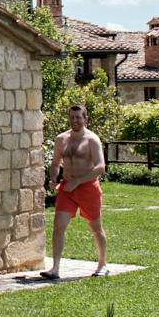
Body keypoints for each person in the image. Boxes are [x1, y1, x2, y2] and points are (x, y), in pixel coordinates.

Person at [42, 103, 108, 279]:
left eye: (78, 117)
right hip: (67, 187)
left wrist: (78, 181)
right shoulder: (61, 139)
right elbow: (56, 163)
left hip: (87, 187)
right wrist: (53, 179)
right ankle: (55, 268)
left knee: (95, 227)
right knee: (58, 226)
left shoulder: (92, 139)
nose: (75, 120)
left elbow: (101, 167)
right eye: (72, 117)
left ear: (85, 119)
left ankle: (102, 264)